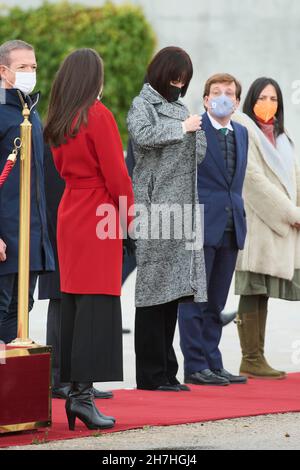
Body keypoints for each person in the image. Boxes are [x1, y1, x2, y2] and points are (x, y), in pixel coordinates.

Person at [44, 48, 134, 430]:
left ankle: (75, 392)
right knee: (96, 306)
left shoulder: (59, 118)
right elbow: (117, 175)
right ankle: (82, 398)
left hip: (71, 211)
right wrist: (131, 220)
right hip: (99, 211)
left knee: (75, 305)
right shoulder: (98, 116)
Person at [127, 46, 207, 392]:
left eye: (184, 79)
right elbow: (143, 137)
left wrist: (193, 132)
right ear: (161, 73)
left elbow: (198, 151)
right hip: (154, 210)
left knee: (173, 295)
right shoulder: (141, 104)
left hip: (182, 213)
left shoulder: (180, 108)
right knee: (151, 295)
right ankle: (150, 374)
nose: (179, 84)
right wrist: (183, 131)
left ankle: (167, 373)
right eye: (175, 77)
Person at [178, 73, 248, 386]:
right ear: (206, 99)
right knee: (195, 300)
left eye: (228, 93)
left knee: (217, 301)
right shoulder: (195, 129)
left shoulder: (243, 133)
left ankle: (213, 361)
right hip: (199, 225)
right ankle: (194, 365)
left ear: (236, 101)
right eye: (215, 92)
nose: (222, 97)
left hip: (232, 224)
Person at [233, 77, 300, 379]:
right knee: (252, 287)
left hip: (281, 223)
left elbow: (293, 179)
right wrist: (290, 213)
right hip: (258, 220)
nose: (268, 104)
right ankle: (250, 357)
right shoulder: (244, 132)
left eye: (274, 99)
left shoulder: (284, 139)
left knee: (264, 291)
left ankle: (258, 356)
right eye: (262, 98)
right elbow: (253, 181)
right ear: (251, 101)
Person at [38, 146, 113, 400]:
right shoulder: (57, 126)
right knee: (60, 300)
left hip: (73, 216)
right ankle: (60, 379)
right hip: (60, 218)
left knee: (73, 301)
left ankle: (77, 379)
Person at [0, 40, 54, 343]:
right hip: (5, 234)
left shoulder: (31, 112)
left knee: (23, 308)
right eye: (22, 67)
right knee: (2, 308)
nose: (30, 72)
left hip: (30, 233)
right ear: (3, 71)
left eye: (33, 67)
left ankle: (11, 386)